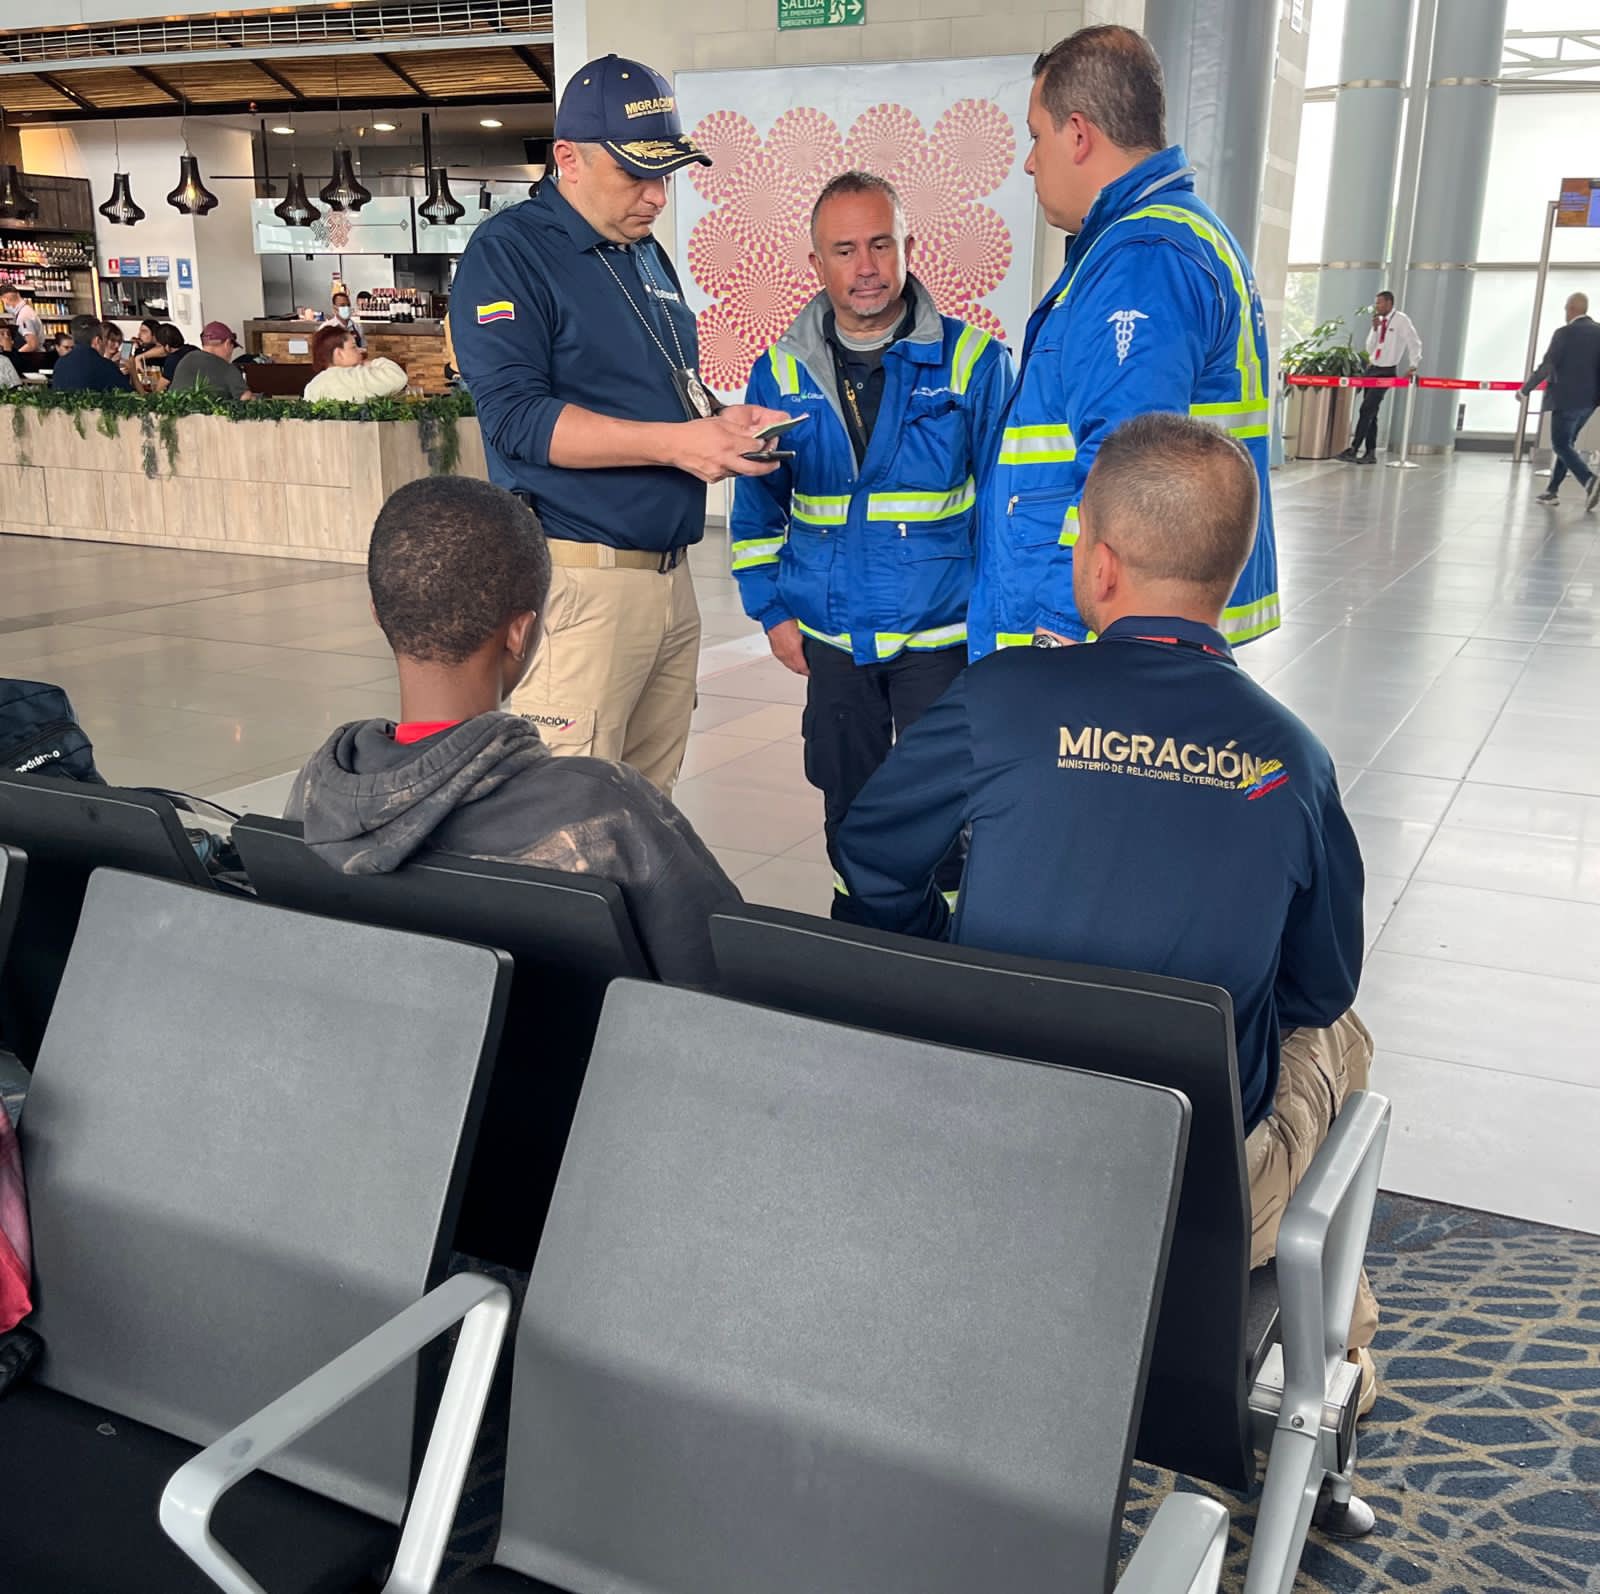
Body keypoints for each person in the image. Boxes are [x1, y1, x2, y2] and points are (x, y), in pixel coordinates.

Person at [834, 411, 1376, 1406]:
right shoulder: (1292, 763)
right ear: (1231, 567)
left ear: (1101, 566)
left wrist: (942, 952)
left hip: (982, 1139)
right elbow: (1318, 985)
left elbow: (872, 857)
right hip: (1186, 1195)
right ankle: (1331, 1359)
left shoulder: (997, 699)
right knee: (1346, 1037)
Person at [450, 53, 787, 797]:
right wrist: (678, 444)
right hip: (579, 584)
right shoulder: (509, 254)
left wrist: (718, 421)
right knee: (561, 820)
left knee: (643, 813)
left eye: (664, 175)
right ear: (566, 158)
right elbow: (515, 419)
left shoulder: (642, 256)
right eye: (635, 174)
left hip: (668, 584)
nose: (655, 196)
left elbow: (658, 389)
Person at [285, 474, 741, 986]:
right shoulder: (605, 812)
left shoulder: (316, 793)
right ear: (522, 632)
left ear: (380, 614)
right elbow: (731, 980)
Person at [732, 170, 1012, 909]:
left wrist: (999, 623)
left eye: (882, 245)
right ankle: (856, 924)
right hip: (831, 632)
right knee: (845, 794)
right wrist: (772, 610)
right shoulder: (781, 371)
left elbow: (1008, 509)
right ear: (815, 264)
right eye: (845, 249)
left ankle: (946, 946)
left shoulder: (974, 364)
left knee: (944, 801)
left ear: (908, 248)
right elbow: (757, 509)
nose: (866, 267)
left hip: (941, 631)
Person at [968, 25, 1279, 657]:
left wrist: (1057, 631)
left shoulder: (1143, 259)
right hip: (1149, 627)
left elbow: (1125, 464)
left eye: (1036, 136)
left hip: (1096, 634)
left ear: (1078, 134)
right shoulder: (1175, 236)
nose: (1030, 162)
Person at [1523, 291, 1600, 511]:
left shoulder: (1564, 333)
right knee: (1568, 445)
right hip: (1590, 401)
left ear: (1572, 309)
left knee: (1560, 444)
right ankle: (1552, 491)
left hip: (1565, 399)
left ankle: (1589, 480)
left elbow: (1548, 365)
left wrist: (1525, 389)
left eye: (1566, 308)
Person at [1339, 290, 1422, 464]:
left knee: (1366, 409)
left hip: (1386, 370)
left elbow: (1414, 342)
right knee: (1372, 413)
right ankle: (1370, 452)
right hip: (1372, 368)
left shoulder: (1401, 320)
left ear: (1390, 303)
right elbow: (1370, 348)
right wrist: (1375, 329)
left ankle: (1354, 448)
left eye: (1380, 303)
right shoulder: (1379, 322)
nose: (1377, 306)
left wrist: (1413, 365)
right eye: (1376, 303)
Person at [302, 323, 409, 401]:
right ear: (339, 354)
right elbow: (398, 377)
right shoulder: (357, 376)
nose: (361, 350)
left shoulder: (312, 387)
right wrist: (372, 363)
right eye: (354, 347)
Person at [168, 321, 251, 400]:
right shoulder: (228, 369)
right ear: (227, 343)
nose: (231, 352)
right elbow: (246, 398)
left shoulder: (186, 359)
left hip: (173, 413)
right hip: (208, 414)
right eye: (232, 347)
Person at [49, 314, 132, 392]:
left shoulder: (60, 364)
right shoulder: (105, 366)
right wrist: (133, 372)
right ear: (97, 341)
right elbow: (130, 397)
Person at [1, 288, 43, 369]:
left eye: (3, 302)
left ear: (6, 299)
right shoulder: (26, 311)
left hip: (31, 359)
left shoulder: (24, 316)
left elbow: (32, 345)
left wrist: (14, 357)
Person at [151, 322, 196, 388]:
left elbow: (160, 388)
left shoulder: (172, 360)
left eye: (159, 346)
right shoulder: (193, 349)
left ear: (166, 346)